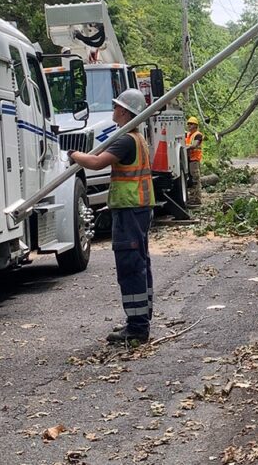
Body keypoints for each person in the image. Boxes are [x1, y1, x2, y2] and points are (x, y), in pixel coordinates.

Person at [67, 89, 155, 344]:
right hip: (138, 209)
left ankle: (137, 327)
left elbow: (95, 163)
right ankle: (140, 319)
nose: (113, 110)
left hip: (130, 210)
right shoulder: (135, 138)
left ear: (126, 112)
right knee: (140, 264)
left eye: (117, 106)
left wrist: (73, 155)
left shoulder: (126, 140)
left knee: (130, 266)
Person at [184, 116, 204, 207]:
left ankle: (197, 199)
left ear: (195, 125)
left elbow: (194, 145)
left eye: (191, 124)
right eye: (188, 124)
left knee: (195, 179)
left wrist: (185, 147)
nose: (189, 125)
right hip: (189, 159)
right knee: (191, 180)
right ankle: (192, 198)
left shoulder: (198, 135)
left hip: (194, 160)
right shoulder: (188, 134)